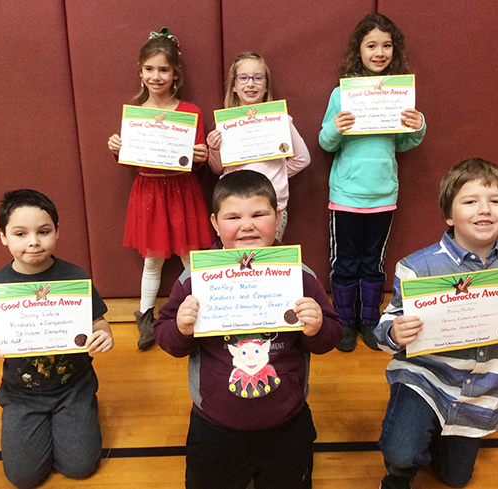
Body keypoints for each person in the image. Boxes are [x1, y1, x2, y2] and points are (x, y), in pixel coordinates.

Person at [154, 170, 343, 488]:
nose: (247, 225)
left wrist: (318, 327)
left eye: (259, 214)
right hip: (214, 425)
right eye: (233, 216)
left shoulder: (299, 275)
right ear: (214, 223)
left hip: (287, 421)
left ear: (278, 216)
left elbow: (330, 337)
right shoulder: (193, 280)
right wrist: (181, 329)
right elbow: (166, 338)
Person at [374, 158, 498, 488]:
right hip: (425, 376)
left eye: (495, 201)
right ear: (449, 215)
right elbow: (384, 330)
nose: (485, 210)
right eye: (470, 201)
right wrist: (393, 331)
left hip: (482, 385)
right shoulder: (417, 266)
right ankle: (398, 470)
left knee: (455, 478)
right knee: (403, 455)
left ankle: (431, 432)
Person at [0, 189, 114, 489]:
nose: (33, 241)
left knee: (80, 467)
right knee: (23, 478)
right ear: (3, 236)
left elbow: (99, 323)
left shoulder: (75, 277)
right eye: (20, 233)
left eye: (43, 231)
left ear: (57, 232)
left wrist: (104, 335)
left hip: (73, 387)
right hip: (21, 394)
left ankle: (76, 418)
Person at [319, 13, 426, 352]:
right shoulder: (342, 94)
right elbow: (325, 142)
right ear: (359, 50)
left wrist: (417, 124)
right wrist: (336, 126)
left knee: (373, 264)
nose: (379, 52)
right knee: (345, 263)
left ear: (394, 51)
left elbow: (405, 143)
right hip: (347, 196)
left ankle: (369, 320)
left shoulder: (398, 92)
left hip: (383, 195)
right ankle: (345, 322)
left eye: (386, 46)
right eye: (371, 46)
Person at [108, 28, 212, 350]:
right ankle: (145, 317)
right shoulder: (135, 114)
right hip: (149, 192)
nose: (156, 76)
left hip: (182, 191)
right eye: (150, 69)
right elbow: (132, 162)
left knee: (189, 258)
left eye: (163, 69)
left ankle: (202, 312)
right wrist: (118, 150)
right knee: (152, 261)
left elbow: (193, 161)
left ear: (175, 74)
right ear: (140, 73)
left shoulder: (191, 112)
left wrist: (201, 157)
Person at [206, 52, 311, 241]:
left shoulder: (281, 121)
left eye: (258, 78)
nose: (251, 84)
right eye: (243, 78)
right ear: (234, 86)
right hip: (233, 205)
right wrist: (213, 149)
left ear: (266, 86)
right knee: (237, 262)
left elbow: (302, 158)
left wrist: (276, 175)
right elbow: (218, 169)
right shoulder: (225, 125)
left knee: (265, 261)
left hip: (271, 206)